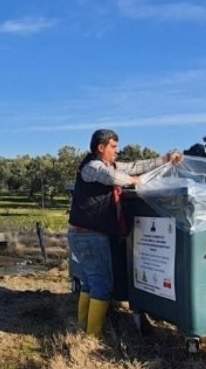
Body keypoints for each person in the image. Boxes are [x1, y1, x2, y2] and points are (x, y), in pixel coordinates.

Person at [68, 129, 183, 338]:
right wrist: (136, 181)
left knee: (89, 281)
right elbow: (114, 178)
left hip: (84, 234)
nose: (117, 151)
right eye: (113, 147)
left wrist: (165, 160)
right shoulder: (92, 167)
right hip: (90, 235)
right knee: (102, 284)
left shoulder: (108, 165)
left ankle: (83, 327)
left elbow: (135, 166)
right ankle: (94, 336)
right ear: (100, 148)